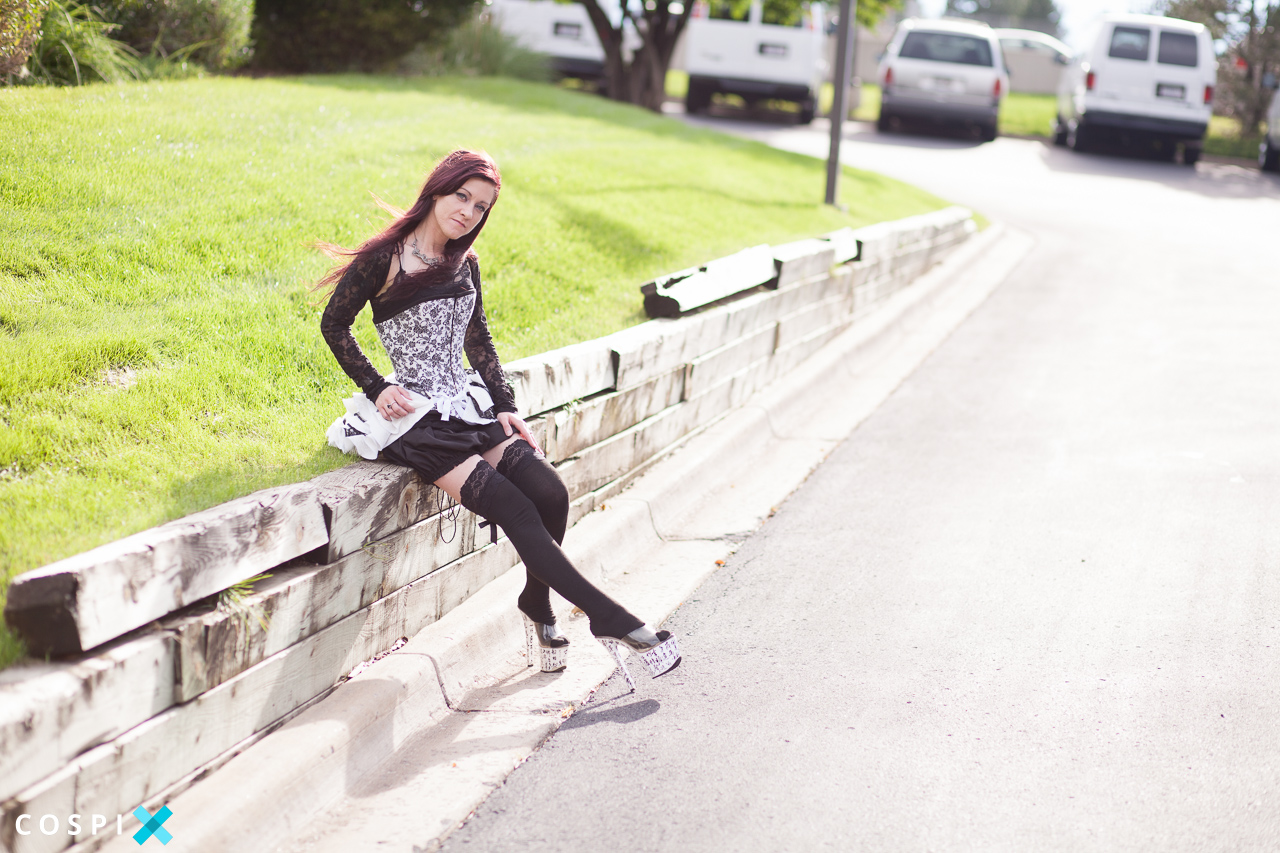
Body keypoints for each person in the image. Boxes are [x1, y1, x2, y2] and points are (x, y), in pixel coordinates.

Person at [317, 149, 680, 688]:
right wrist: (377, 386)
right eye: (461, 197)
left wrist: (505, 404)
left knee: (551, 493)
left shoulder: (465, 261)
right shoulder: (384, 258)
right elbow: (335, 324)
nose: (468, 212)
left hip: (466, 403)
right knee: (514, 506)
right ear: (437, 191)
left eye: (480, 207)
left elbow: (477, 337)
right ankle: (611, 618)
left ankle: (537, 602)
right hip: (416, 421)